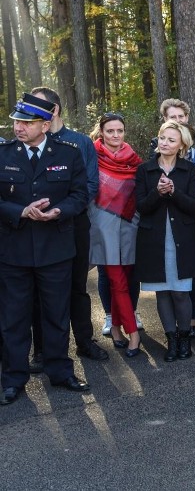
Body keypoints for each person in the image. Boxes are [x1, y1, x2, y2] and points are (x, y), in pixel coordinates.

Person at [0, 93, 90, 405]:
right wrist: (20, 211)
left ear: (45, 124)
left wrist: (59, 211)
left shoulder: (69, 153)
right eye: (16, 121)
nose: (18, 127)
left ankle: (61, 371)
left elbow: (80, 194)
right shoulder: (3, 154)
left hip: (55, 248)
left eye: (26, 122)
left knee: (56, 314)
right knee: (14, 317)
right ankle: (13, 379)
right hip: (14, 250)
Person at [31, 87, 109, 362]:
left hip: (74, 225)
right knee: (39, 291)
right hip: (38, 228)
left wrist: (61, 210)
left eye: (37, 109)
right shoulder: (30, 141)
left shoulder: (79, 143)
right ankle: (42, 351)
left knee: (77, 287)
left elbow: (90, 184)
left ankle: (84, 342)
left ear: (54, 111)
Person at [135, 121, 195, 362]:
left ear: (182, 146)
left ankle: (185, 336)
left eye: (171, 140)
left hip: (182, 239)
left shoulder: (190, 169)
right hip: (154, 239)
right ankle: (172, 340)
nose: (164, 143)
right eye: (162, 138)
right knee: (162, 293)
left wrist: (174, 191)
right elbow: (141, 206)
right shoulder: (145, 170)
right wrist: (157, 192)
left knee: (180, 293)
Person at [89, 112, 144, 357]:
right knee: (116, 281)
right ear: (101, 132)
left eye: (119, 131)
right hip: (102, 225)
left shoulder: (134, 160)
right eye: (110, 131)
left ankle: (117, 329)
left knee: (127, 279)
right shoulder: (91, 156)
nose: (115, 135)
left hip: (130, 224)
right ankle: (134, 334)